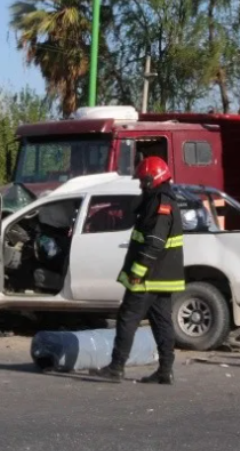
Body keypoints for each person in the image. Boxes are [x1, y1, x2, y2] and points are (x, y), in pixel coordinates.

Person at [95, 156, 185, 384]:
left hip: (147, 276)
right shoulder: (157, 199)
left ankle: (116, 367)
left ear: (150, 179)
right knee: (162, 322)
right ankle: (165, 371)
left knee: (127, 318)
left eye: (141, 181)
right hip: (160, 278)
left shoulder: (161, 202)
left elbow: (154, 240)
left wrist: (138, 270)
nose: (139, 185)